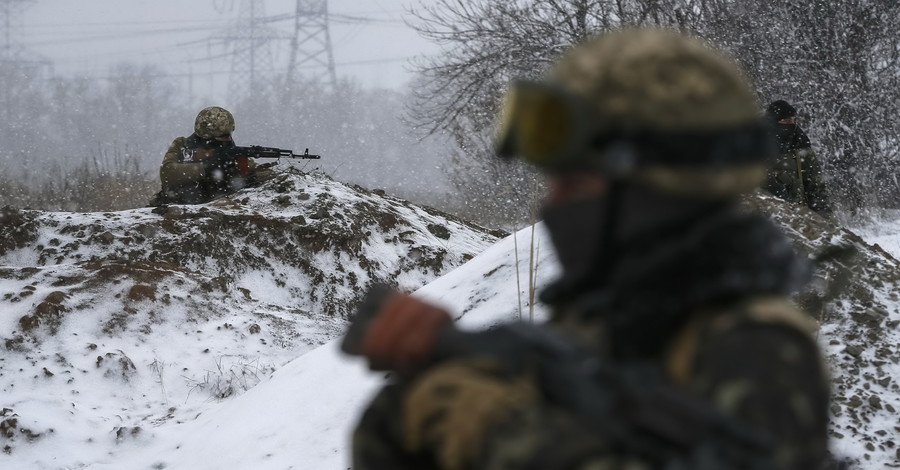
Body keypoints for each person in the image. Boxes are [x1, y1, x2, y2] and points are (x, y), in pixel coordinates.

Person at [349, 28, 831, 470]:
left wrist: (499, 429)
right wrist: (418, 402)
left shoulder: (754, 346)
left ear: (656, 185)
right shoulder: (604, 320)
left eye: (575, 180)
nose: (552, 203)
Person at [150, 106, 271, 205]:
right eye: (221, 137)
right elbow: (168, 173)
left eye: (228, 135)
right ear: (206, 137)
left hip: (216, 208)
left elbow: (258, 172)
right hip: (179, 207)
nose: (227, 140)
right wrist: (208, 167)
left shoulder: (230, 153)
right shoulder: (181, 145)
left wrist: (248, 173)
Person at [763, 100, 832, 215]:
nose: (791, 124)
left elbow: (817, 189)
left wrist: (827, 222)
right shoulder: (756, 146)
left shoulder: (800, 146)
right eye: (786, 120)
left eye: (794, 120)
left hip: (799, 217)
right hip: (768, 215)